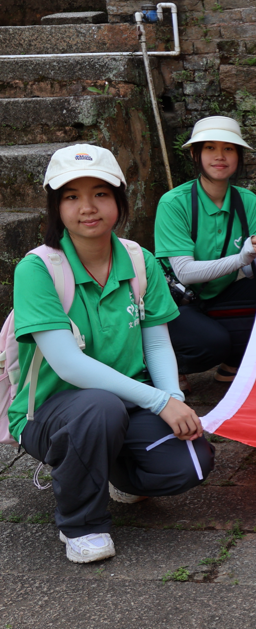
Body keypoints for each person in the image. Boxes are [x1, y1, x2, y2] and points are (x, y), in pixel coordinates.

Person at [10, 144, 213, 563]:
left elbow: (156, 342)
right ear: (56, 207)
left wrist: (173, 398)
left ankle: (113, 474)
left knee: (191, 463)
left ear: (120, 199)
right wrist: (160, 402)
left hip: (128, 404)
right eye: (71, 196)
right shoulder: (38, 269)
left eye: (100, 193)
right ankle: (81, 523)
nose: (88, 207)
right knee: (98, 408)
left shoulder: (139, 261)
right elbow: (69, 364)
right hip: (53, 412)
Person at [154, 116, 256, 384]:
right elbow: (185, 273)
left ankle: (234, 362)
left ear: (238, 155)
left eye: (228, 148)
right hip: (178, 301)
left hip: (221, 294)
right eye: (210, 148)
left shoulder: (247, 201)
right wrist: (241, 257)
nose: (220, 156)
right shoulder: (173, 203)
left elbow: (254, 268)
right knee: (211, 343)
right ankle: (164, 365)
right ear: (195, 154)